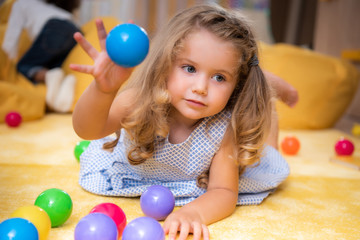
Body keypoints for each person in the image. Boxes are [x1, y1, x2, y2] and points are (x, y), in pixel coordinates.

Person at [71, 4, 297, 240]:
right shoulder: (139, 99)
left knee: (267, 155)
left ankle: (266, 96)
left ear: (237, 84)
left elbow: (224, 190)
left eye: (219, 77)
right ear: (165, 64)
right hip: (138, 173)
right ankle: (257, 84)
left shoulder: (225, 127)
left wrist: (194, 213)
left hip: (194, 178)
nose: (200, 88)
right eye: (189, 68)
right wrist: (103, 91)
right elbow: (87, 130)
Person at [2, 0, 81, 113]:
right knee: (53, 67)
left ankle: (49, 75)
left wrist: (8, 63)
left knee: (24, 66)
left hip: (55, 29)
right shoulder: (55, 7)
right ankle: (63, 87)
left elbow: (11, 39)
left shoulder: (21, 3)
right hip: (75, 32)